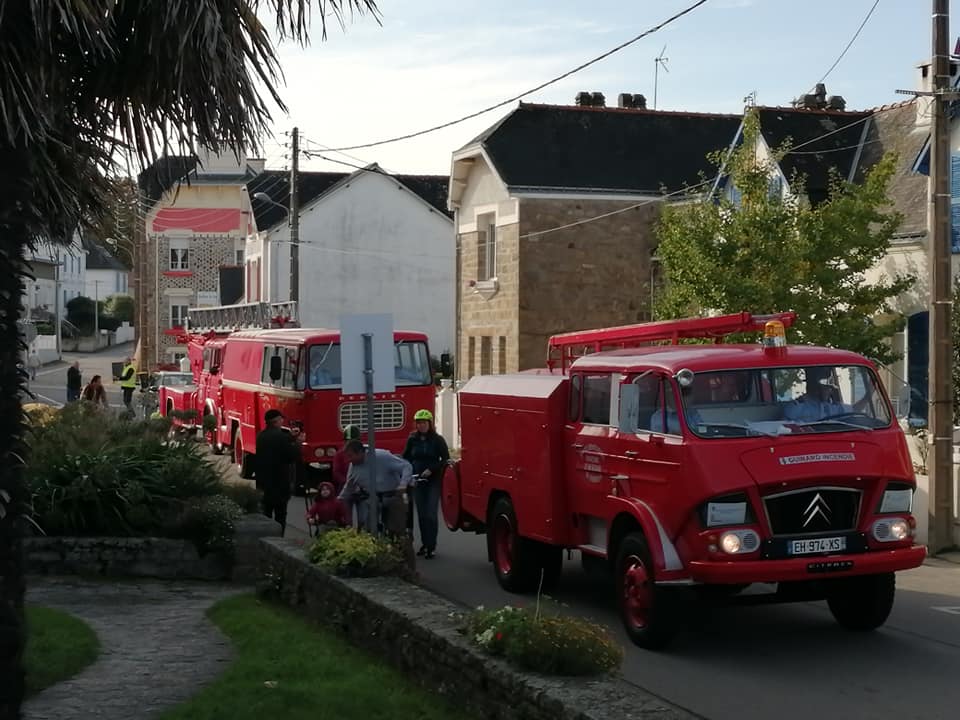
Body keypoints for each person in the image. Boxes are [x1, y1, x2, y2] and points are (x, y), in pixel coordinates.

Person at [402, 409, 449, 559]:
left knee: (430, 514)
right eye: (419, 423)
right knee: (421, 515)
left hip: (432, 480)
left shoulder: (438, 440)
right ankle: (425, 544)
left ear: (430, 423)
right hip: (417, 480)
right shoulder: (412, 439)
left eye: (424, 423)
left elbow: (445, 459)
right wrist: (408, 474)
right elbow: (406, 457)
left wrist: (432, 469)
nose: (421, 426)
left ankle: (432, 545)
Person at [337, 439, 412, 533]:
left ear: (360, 452)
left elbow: (406, 466)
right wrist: (338, 500)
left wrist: (403, 484)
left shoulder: (382, 457)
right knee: (368, 526)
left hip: (392, 493)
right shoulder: (353, 466)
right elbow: (349, 487)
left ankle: (399, 541)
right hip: (372, 496)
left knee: (396, 526)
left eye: (350, 456)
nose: (348, 460)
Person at [255, 409, 301, 537]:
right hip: (280, 484)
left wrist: (290, 437)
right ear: (275, 421)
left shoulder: (261, 436)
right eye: (281, 419)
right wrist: (297, 443)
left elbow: (276, 445)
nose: (282, 422)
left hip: (263, 483)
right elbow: (291, 456)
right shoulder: (280, 437)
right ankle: (279, 540)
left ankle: (266, 539)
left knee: (266, 514)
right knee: (280, 516)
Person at [783, 368, 864, 423]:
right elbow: (786, 423)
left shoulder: (833, 407)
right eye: (825, 386)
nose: (829, 389)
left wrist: (869, 394)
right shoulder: (799, 406)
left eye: (829, 386)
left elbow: (854, 409)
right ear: (815, 386)